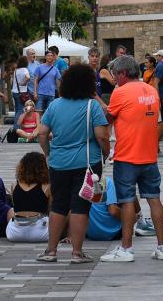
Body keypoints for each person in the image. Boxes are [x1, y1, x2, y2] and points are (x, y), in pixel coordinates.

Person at [36, 64, 110, 264]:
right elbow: (102, 135)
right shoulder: (92, 106)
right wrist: (107, 152)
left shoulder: (55, 105)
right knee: (80, 207)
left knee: (58, 205)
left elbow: (42, 133)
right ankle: (77, 253)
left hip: (58, 163)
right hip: (87, 163)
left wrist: (49, 153)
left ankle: (51, 251)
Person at [99, 55, 163, 262]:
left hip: (127, 155)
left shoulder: (120, 92)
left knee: (127, 201)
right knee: (154, 199)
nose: (113, 79)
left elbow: (107, 118)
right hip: (149, 155)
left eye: (114, 75)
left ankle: (126, 249)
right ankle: (162, 248)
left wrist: (96, 101)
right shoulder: (151, 90)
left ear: (122, 73)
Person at [5, 152, 51, 242]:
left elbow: (16, 208)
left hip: (14, 234)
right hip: (40, 233)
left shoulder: (14, 185)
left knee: (10, 210)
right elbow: (50, 210)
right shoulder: (47, 186)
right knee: (61, 211)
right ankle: (68, 234)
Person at [11, 57, 31, 121]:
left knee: (17, 110)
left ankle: (16, 126)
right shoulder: (25, 69)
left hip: (14, 92)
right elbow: (28, 78)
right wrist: (23, 83)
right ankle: (16, 127)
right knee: (20, 110)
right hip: (22, 92)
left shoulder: (16, 70)